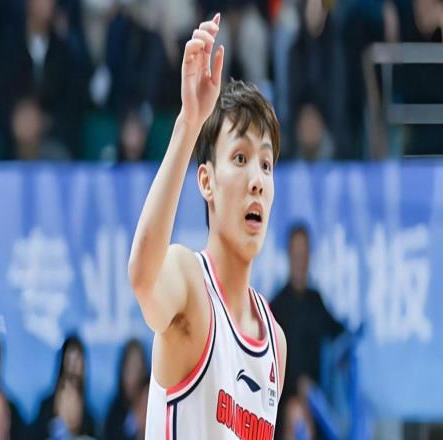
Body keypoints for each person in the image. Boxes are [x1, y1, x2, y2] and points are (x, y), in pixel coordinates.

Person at [128, 13, 286, 439]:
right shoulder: (188, 282)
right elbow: (142, 277)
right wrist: (189, 123)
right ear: (206, 181)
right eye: (240, 158)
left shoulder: (275, 340)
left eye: (266, 164)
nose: (257, 179)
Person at [270, 224, 344, 438]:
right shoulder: (276, 307)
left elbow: (338, 333)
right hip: (286, 400)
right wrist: (297, 387)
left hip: (316, 403)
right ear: (289, 254)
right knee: (295, 413)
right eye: (296, 253)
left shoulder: (315, 301)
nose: (300, 259)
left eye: (304, 253)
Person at [31, 335, 95, 440]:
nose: (73, 364)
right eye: (70, 358)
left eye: (77, 358)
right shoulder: (45, 407)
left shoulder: (90, 418)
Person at [104, 339, 149, 440]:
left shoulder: (152, 399)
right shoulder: (114, 412)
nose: (134, 373)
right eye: (129, 366)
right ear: (122, 369)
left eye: (137, 367)